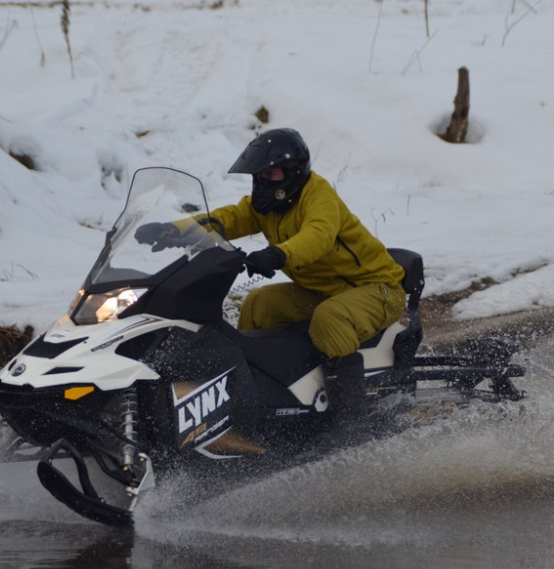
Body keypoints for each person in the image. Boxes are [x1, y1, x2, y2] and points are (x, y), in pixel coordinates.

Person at [136, 128, 406, 409]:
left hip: (376, 288)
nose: (262, 181)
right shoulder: (269, 204)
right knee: (258, 304)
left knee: (330, 318)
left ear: (293, 172)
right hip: (320, 290)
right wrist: (175, 230)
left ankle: (350, 414)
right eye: (259, 175)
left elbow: (318, 236)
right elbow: (228, 219)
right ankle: (260, 399)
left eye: (270, 174)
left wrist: (278, 254)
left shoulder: (318, 197)